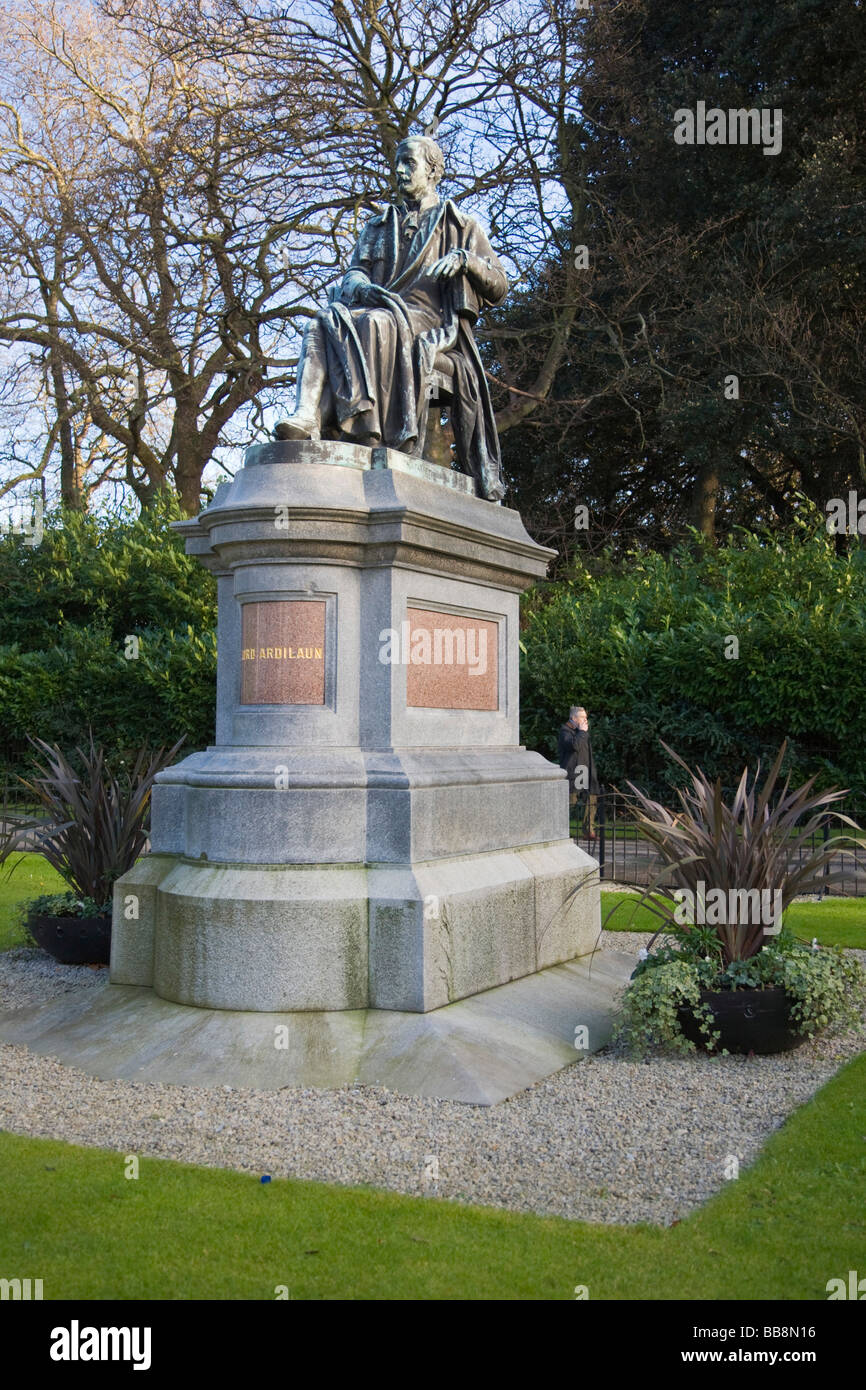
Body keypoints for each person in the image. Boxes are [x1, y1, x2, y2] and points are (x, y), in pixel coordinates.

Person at [274, 134, 509, 501]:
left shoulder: (461, 226)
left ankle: (366, 429)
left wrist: (467, 260)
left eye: (409, 163)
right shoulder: (378, 226)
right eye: (397, 162)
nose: (399, 170)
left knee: (374, 324)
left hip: (427, 320)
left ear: (432, 172)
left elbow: (499, 286)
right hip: (378, 306)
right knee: (321, 321)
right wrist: (362, 285)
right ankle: (308, 416)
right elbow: (353, 272)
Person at [557, 705, 600, 840]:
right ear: (574, 718)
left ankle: (588, 831)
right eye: (583, 717)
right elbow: (574, 746)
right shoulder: (565, 732)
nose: (585, 720)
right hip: (572, 772)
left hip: (586, 770)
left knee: (592, 798)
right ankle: (559, 831)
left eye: (586, 717)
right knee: (570, 802)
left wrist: (582, 732)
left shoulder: (582, 731)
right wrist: (582, 732)